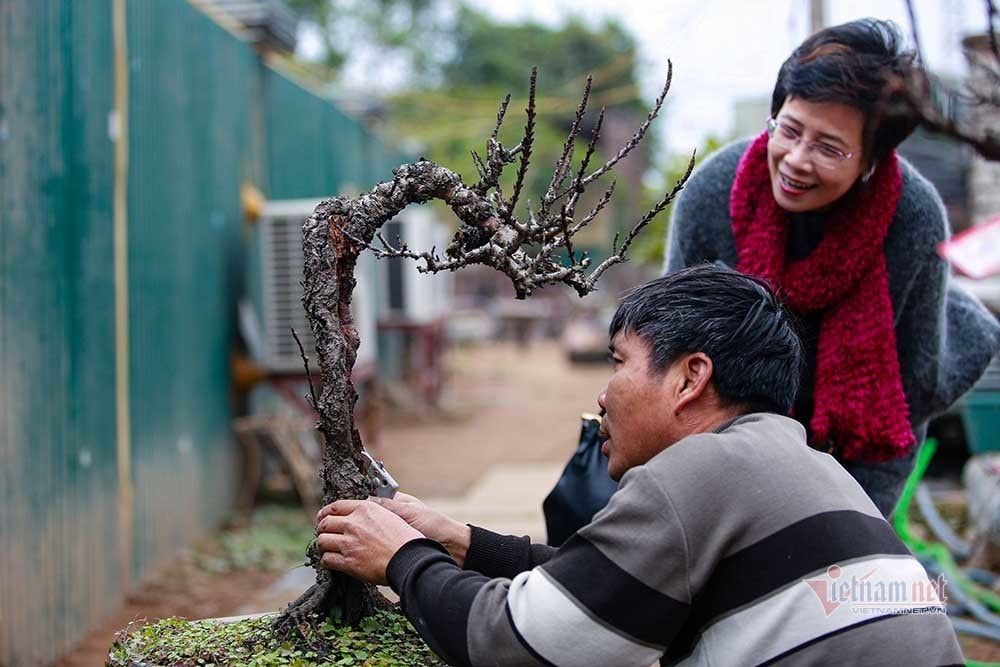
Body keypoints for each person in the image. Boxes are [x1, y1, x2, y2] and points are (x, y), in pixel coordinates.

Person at [315, 265, 963, 667]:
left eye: (619, 362)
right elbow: (613, 584)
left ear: (689, 377)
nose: (602, 394)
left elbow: (518, 643)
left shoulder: (697, 471)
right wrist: (464, 543)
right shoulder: (796, 462)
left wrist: (401, 556)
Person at [664, 19, 1000, 516]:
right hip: (721, 444)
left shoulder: (912, 216)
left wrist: (857, 523)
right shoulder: (713, 191)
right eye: (790, 130)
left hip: (846, 454)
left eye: (828, 147)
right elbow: (671, 354)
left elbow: (903, 398)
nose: (797, 160)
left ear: (870, 161)